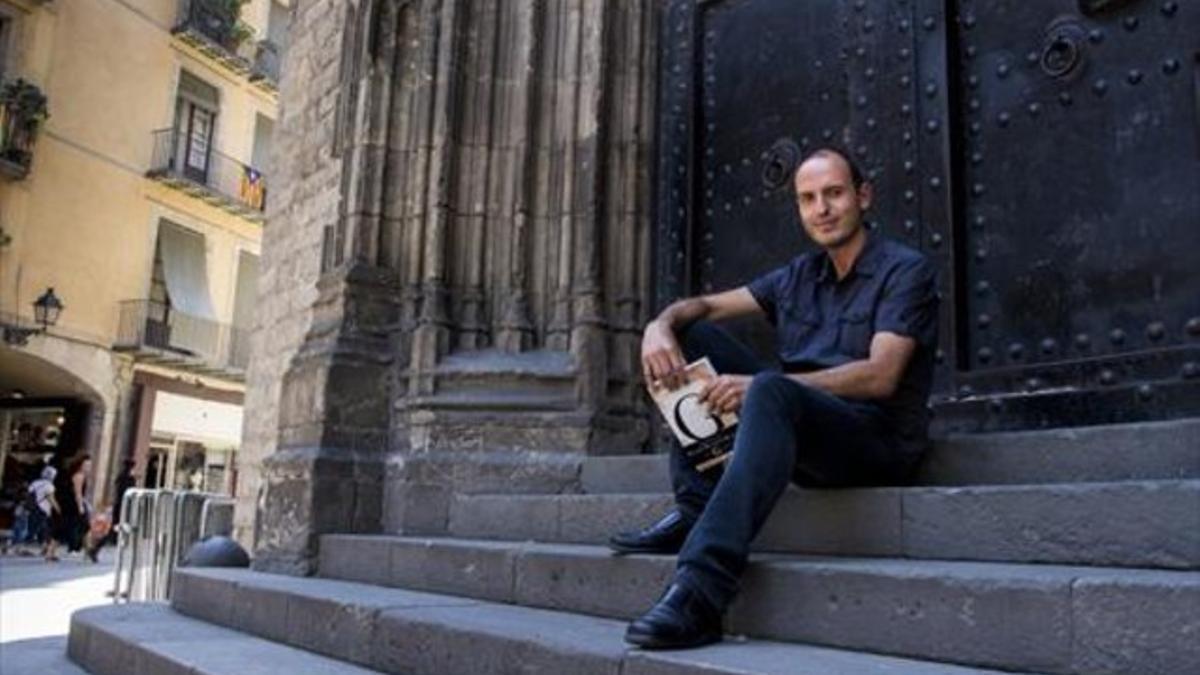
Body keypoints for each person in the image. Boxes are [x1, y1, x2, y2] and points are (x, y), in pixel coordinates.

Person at [612, 147, 939, 649]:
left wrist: (767, 389)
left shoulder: (905, 270)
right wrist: (659, 326)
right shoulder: (797, 277)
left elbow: (882, 376)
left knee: (768, 388)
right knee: (693, 336)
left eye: (833, 193)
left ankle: (701, 591)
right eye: (808, 199)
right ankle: (697, 510)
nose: (822, 209)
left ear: (863, 196)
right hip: (798, 432)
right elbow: (702, 306)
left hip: (873, 444)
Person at [53, 453, 98, 562]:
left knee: (67, 528)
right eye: (86, 465)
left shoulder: (77, 475)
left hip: (71, 506)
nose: (88, 468)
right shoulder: (79, 476)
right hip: (74, 507)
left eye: (89, 465)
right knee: (84, 527)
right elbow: (78, 493)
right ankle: (89, 551)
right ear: (80, 465)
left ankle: (88, 551)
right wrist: (81, 507)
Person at [28, 466, 60, 561]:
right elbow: (51, 499)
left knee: (35, 528)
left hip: (33, 508)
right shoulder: (49, 486)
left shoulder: (35, 483)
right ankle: (46, 549)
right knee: (46, 529)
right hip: (44, 509)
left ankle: (43, 547)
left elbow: (29, 493)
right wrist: (58, 509)